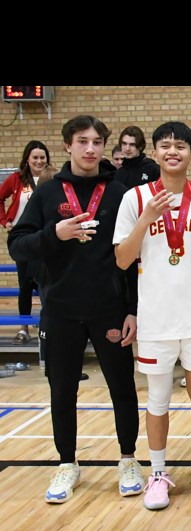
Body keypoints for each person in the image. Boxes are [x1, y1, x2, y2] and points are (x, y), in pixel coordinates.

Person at [8, 115, 141, 504]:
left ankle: (129, 459)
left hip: (110, 310)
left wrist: (132, 309)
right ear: (67, 145)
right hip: (61, 310)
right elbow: (17, 244)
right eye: (82, 141)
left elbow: (133, 259)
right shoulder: (48, 194)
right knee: (62, 391)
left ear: (105, 147)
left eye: (97, 142)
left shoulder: (120, 193)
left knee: (123, 389)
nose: (90, 149)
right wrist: (55, 233)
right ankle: (67, 463)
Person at [114, 121, 191, 510]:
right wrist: (145, 219)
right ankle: (158, 473)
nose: (173, 151)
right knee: (158, 397)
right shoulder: (134, 198)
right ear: (156, 153)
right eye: (165, 146)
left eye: (181, 145)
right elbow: (122, 259)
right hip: (156, 319)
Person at [1, 140, 51, 344]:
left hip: (46, 239)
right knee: (24, 285)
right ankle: (23, 329)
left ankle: (48, 327)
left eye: (42, 157)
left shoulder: (52, 179)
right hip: (23, 239)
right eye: (35, 158)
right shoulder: (16, 179)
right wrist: (5, 222)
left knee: (47, 283)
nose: (39, 161)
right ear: (27, 160)